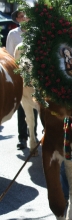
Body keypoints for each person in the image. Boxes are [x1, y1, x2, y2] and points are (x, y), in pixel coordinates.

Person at [6, 9, 38, 150]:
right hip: (21, 75)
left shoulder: (36, 33)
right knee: (22, 108)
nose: (24, 17)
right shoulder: (13, 34)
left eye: (26, 15)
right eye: (20, 16)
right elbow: (9, 55)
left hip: (36, 76)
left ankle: (34, 135)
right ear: (17, 19)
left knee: (36, 106)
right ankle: (22, 138)